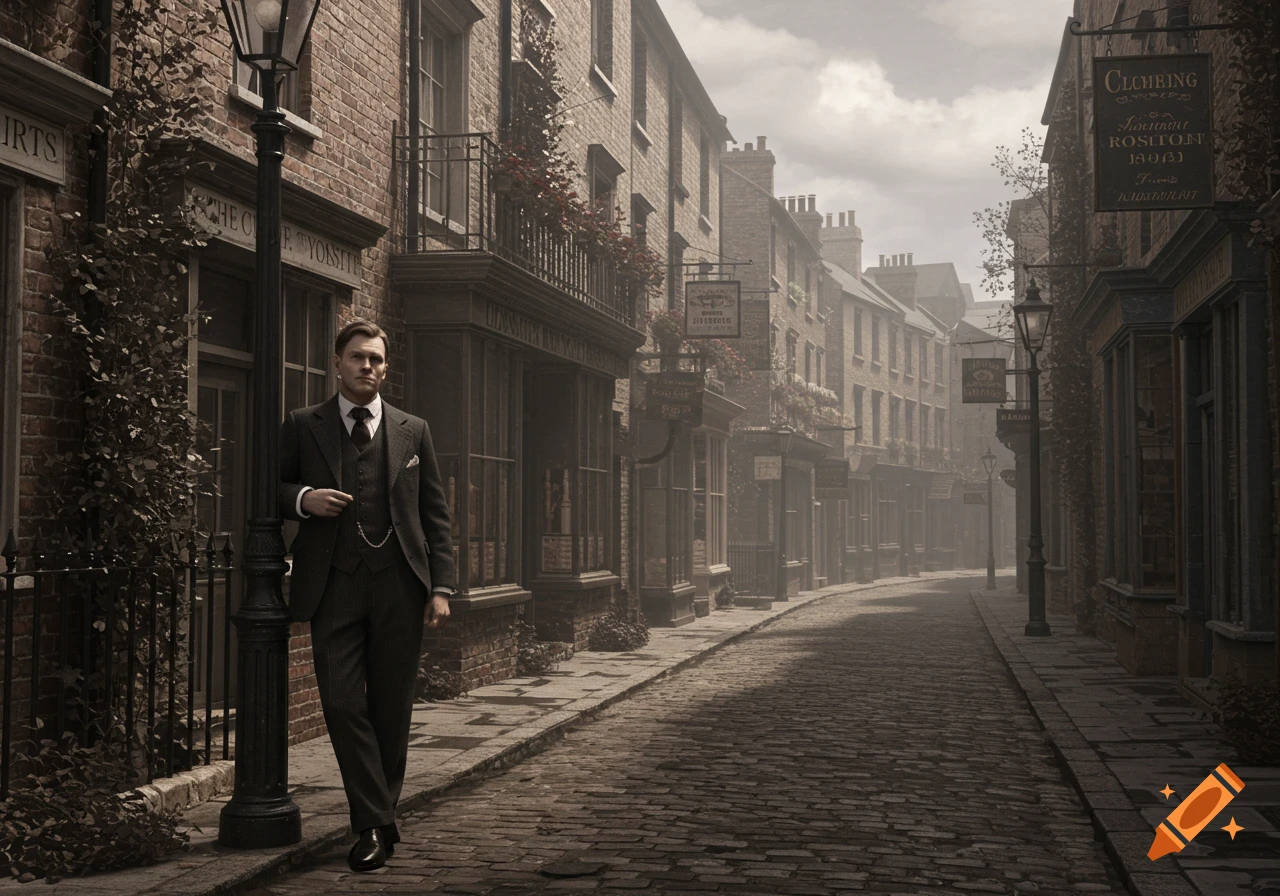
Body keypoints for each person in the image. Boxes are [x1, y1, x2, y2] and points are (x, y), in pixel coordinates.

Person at [279, 318, 456, 872]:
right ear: (338, 362)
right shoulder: (304, 424)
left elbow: (435, 515)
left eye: (377, 360)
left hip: (401, 585)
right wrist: (305, 499)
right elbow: (272, 486)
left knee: (391, 708)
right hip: (333, 583)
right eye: (358, 358)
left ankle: (376, 818)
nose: (368, 368)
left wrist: (443, 586)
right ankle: (377, 822)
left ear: (386, 365)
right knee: (339, 701)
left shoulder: (413, 430)